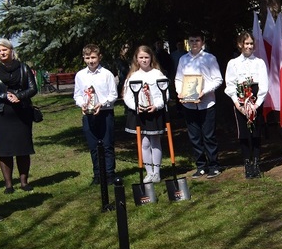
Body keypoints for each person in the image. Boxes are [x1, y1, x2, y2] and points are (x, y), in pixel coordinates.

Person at [0, 39, 38, 193]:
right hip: (1, 113)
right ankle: (8, 185)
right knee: (5, 150)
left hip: (21, 112)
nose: (2, 53)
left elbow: (33, 88)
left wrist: (19, 96)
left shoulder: (23, 67)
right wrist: (5, 95)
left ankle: (24, 182)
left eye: (5, 50)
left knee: (23, 149)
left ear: (11, 50)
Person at [175, 32, 224, 178]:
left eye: (197, 40)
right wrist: (180, 92)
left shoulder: (209, 58)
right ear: (188, 42)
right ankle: (201, 166)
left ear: (202, 42)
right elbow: (178, 79)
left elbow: (218, 79)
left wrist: (204, 91)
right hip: (189, 104)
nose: (194, 43)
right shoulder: (183, 59)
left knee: (209, 135)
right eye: (191, 40)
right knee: (194, 136)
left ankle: (214, 165)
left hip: (207, 103)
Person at [122, 45, 169, 183]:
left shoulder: (158, 74)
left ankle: (157, 172)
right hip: (140, 113)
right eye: (141, 57)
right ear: (136, 59)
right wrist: (136, 107)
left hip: (154, 112)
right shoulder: (133, 76)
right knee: (144, 143)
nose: (144, 60)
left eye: (146, 57)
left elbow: (165, 94)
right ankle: (149, 172)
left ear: (151, 58)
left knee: (155, 141)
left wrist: (157, 105)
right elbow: (127, 96)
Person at [73, 44, 119, 186]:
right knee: (94, 146)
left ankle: (110, 174)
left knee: (107, 145)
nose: (91, 61)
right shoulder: (80, 75)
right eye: (87, 58)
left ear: (99, 57)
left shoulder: (107, 74)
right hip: (89, 114)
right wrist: (82, 104)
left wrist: (102, 103)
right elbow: (78, 95)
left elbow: (113, 95)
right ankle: (98, 174)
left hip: (105, 113)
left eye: (93, 57)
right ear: (84, 58)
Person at [224, 32, 268, 179]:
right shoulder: (233, 63)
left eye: (251, 43)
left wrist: (256, 105)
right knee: (244, 134)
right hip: (240, 98)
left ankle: (256, 163)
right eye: (246, 43)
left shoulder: (259, 62)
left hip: (255, 99)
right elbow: (230, 84)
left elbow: (264, 85)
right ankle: (247, 164)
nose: (249, 46)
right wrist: (237, 104)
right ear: (240, 45)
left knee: (255, 133)